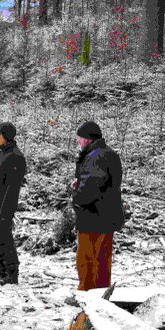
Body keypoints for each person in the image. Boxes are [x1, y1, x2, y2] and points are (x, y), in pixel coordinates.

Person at [67, 121, 124, 303]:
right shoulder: (109, 153)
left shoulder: (94, 157)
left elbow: (90, 188)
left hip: (93, 215)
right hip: (108, 214)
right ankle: (101, 295)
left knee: (87, 258)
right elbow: (106, 183)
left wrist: (75, 198)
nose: (78, 142)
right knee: (102, 258)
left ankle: (85, 295)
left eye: (79, 138)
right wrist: (80, 182)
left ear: (86, 139)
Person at [0, 122, 27, 285]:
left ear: (6, 136)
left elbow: (12, 187)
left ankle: (12, 273)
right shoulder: (3, 153)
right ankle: (2, 269)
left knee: (4, 237)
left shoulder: (15, 156)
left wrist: (4, 209)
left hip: (5, 204)